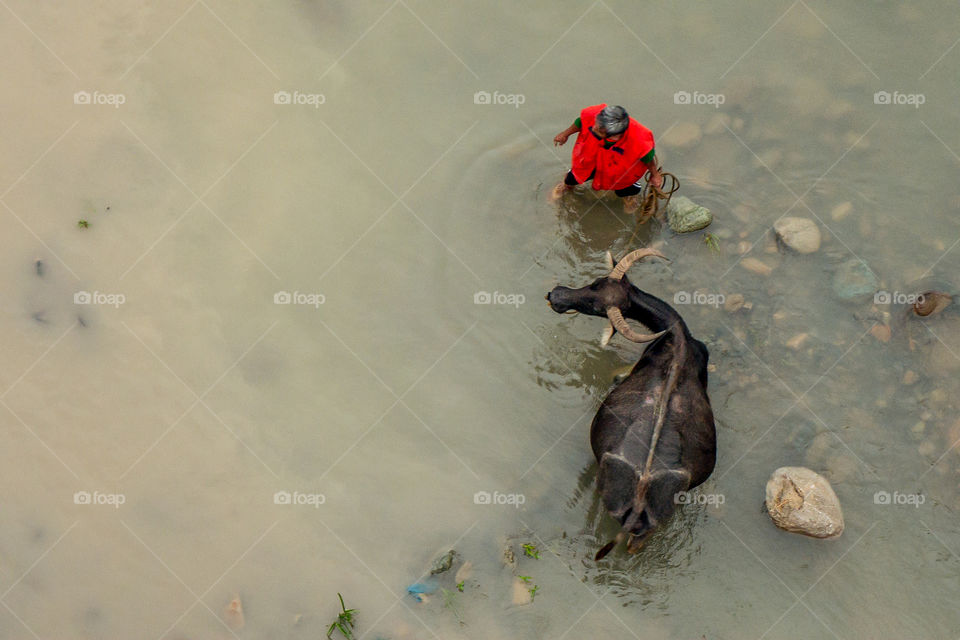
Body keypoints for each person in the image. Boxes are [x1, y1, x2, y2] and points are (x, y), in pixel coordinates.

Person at [551, 104, 662, 213]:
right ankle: (566, 186)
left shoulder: (639, 140)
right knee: (573, 176)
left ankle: (628, 197)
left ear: (615, 136)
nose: (593, 128)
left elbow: (648, 158)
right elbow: (581, 122)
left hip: (620, 170)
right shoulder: (594, 116)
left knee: (625, 187)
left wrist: (655, 175)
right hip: (591, 159)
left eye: (599, 130)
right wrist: (565, 134)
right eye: (596, 124)